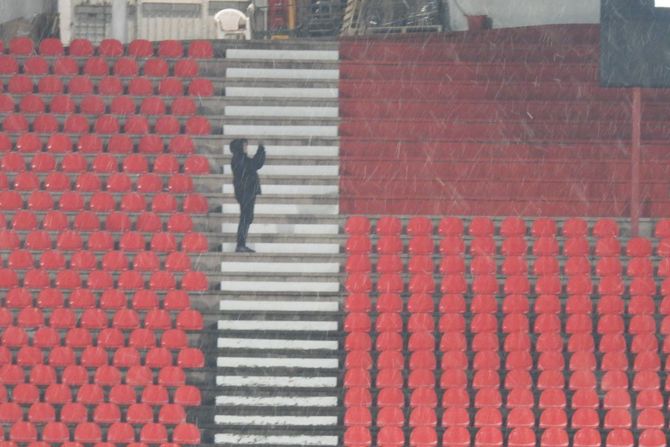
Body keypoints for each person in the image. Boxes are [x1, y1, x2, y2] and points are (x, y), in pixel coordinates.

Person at [230, 138, 265, 253]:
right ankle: (241, 244)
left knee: (246, 218)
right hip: (246, 192)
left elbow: (255, 164)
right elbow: (255, 164)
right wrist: (261, 149)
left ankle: (241, 244)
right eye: (244, 146)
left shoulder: (239, 158)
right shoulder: (239, 159)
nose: (246, 148)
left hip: (246, 192)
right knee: (245, 218)